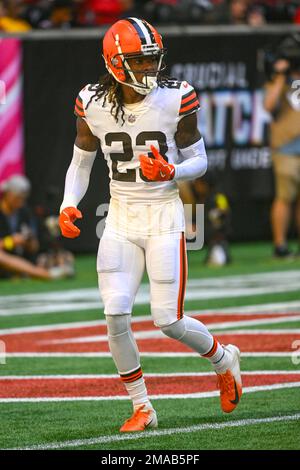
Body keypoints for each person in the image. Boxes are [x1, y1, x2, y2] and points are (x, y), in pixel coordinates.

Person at [59, 17, 242, 432]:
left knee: (168, 320)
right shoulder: (92, 102)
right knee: (115, 314)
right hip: (120, 219)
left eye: (152, 60)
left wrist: (171, 170)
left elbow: (201, 160)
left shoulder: (176, 97)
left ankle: (223, 358)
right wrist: (69, 203)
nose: (149, 69)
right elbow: (81, 162)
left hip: (163, 216)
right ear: (115, 63)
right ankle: (142, 406)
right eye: (139, 62)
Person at [264, 35, 300, 258]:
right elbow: (268, 105)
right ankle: (280, 245)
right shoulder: (276, 80)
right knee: (285, 197)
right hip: (286, 147)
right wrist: (280, 76)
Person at [0, 174, 72, 280]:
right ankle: (46, 275)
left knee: (66, 257)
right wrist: (11, 241)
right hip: (4, 259)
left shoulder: (24, 212)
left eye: (23, 198)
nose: (20, 202)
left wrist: (28, 242)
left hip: (22, 257)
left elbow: (34, 247)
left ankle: (27, 272)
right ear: (8, 195)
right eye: (18, 198)